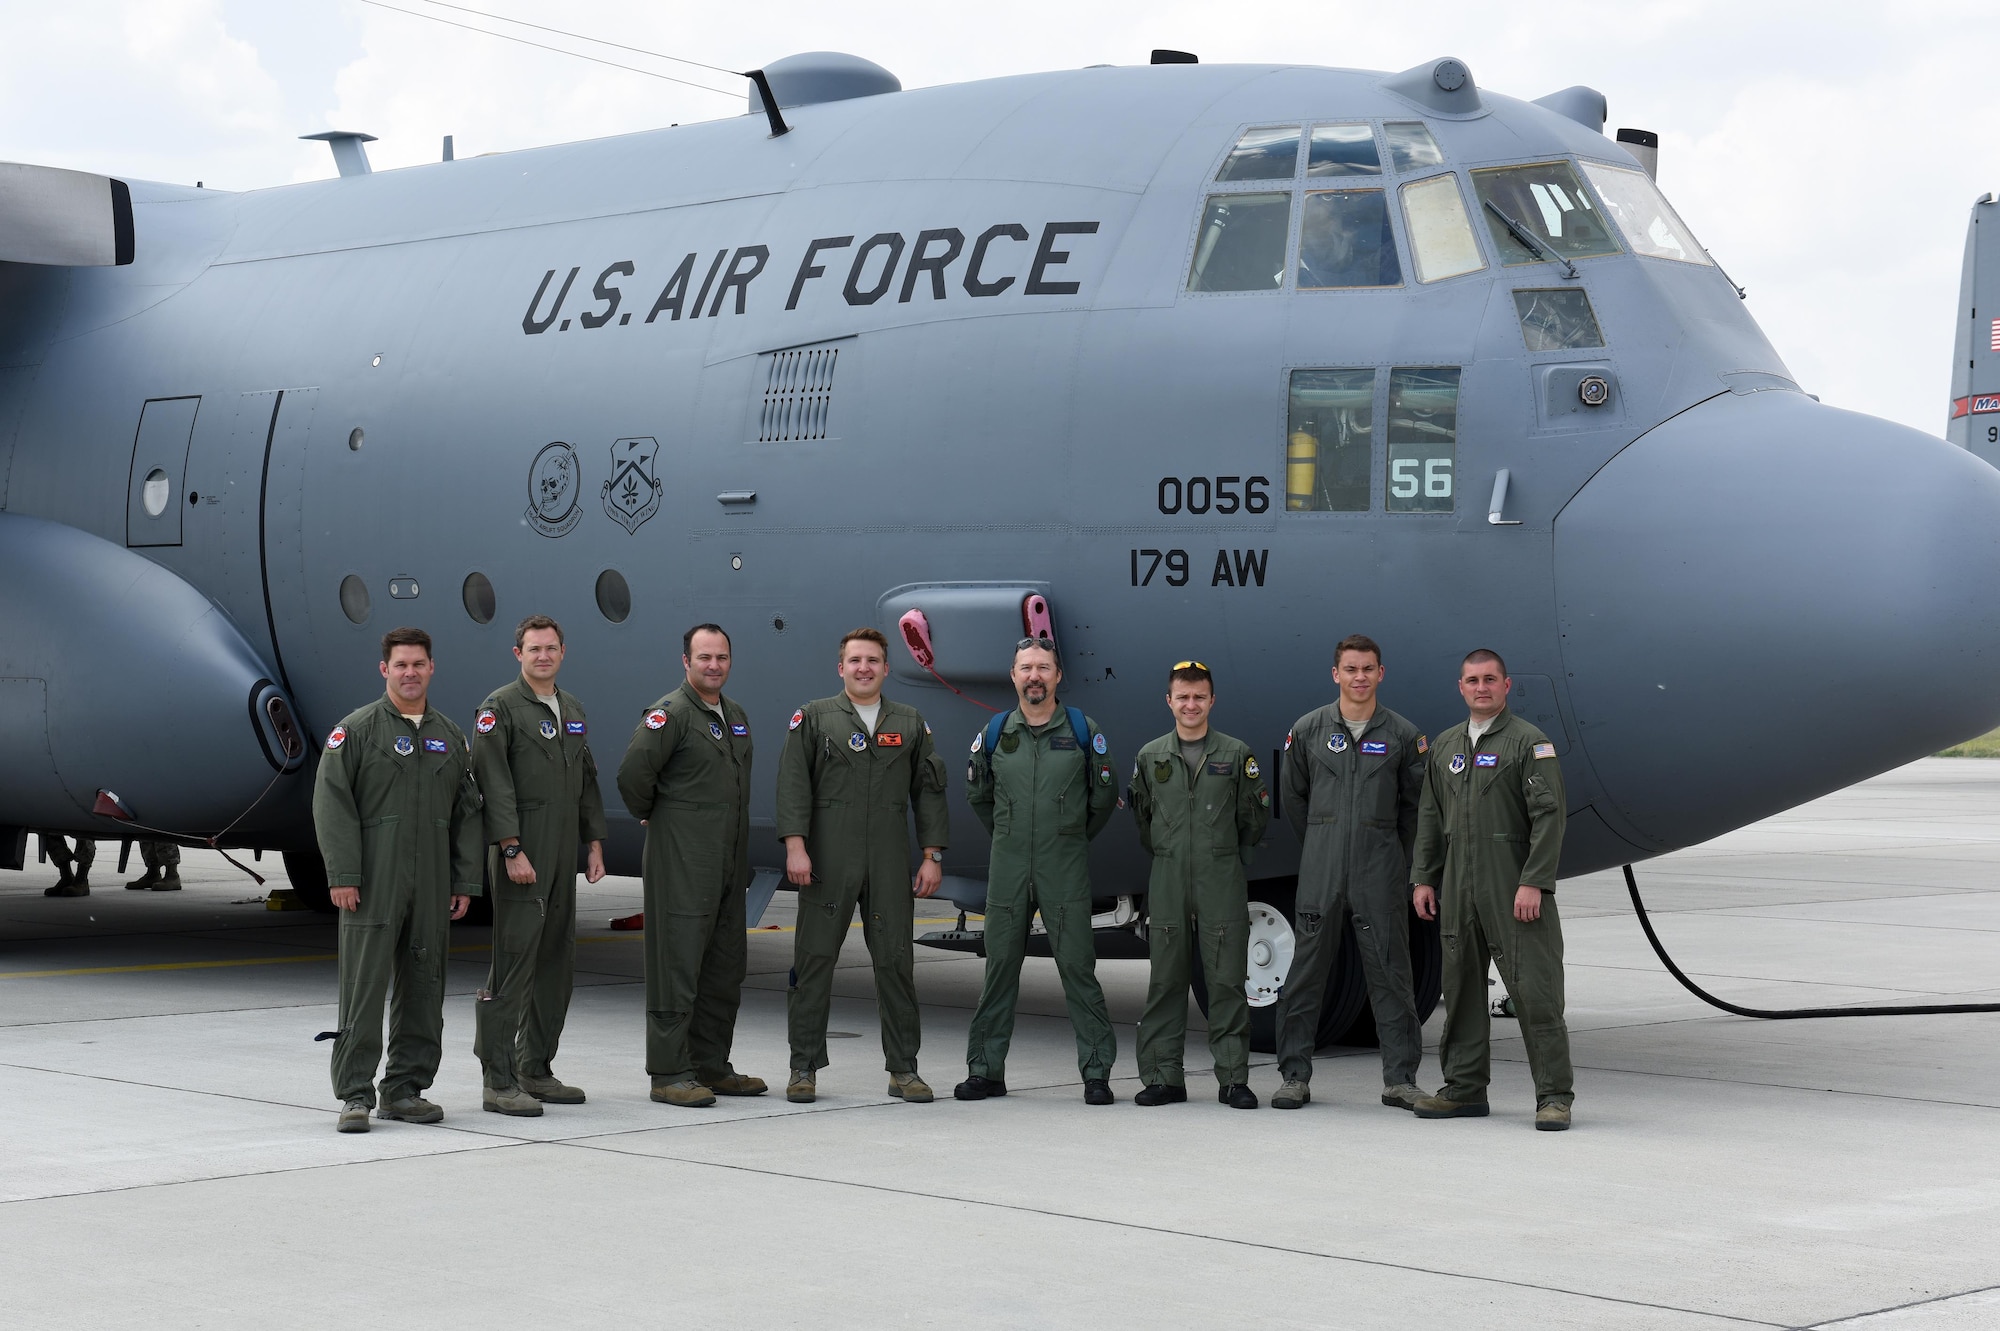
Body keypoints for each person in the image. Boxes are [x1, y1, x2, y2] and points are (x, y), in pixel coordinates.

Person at [314, 627, 483, 1134]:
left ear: (432, 668)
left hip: (431, 881)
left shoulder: (450, 737)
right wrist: (342, 875)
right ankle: (355, 1095)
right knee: (363, 986)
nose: (411, 673)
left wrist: (464, 879)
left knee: (425, 987)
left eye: (419, 664)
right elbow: (331, 803)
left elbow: (467, 812)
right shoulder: (357, 731)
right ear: (384, 669)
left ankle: (405, 1089)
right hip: (373, 880)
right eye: (401, 665)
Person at [775, 628, 950, 1104]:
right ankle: (803, 1068)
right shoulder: (814, 718)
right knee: (814, 961)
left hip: (890, 858)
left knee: (896, 963)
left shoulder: (910, 722)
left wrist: (932, 855)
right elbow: (793, 784)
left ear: (886, 668)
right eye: (855, 660)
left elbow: (929, 792)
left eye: (873, 660)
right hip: (829, 856)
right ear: (841, 668)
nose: (864, 668)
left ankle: (903, 1070)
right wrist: (796, 846)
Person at [1411, 649, 1573, 1131]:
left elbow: (1549, 817)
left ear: (1506, 686)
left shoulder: (1529, 743)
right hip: (1459, 886)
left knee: (1535, 991)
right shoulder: (1444, 746)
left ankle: (1553, 1097)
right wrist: (1424, 876)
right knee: (1459, 989)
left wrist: (1534, 882)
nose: (1481, 687)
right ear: (1460, 687)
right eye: (1472, 680)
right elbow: (1429, 816)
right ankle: (1463, 1089)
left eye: (1489, 680)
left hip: (1512, 886)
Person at [956, 637, 1120, 1105]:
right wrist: (1009, 835)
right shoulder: (994, 733)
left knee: (1077, 967)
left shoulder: (1083, 731)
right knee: (1000, 969)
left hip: (1063, 866)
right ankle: (985, 1071)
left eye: (1043, 668)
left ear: (1057, 676)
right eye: (1026, 667)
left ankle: (1095, 1072)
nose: (1035, 676)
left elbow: (1103, 798)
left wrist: (1067, 836)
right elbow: (978, 795)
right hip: (1008, 866)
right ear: (1013, 675)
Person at [1272, 633, 1429, 1112]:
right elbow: (1294, 799)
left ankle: (1400, 1080)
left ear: (1380, 674)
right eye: (1350, 669)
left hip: (1379, 871)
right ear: (1335, 674)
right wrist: (1324, 840)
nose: (1359, 677)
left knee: (1392, 976)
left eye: (1368, 669)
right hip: (1321, 869)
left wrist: (1387, 856)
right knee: (1305, 974)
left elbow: (1414, 811)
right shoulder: (1308, 730)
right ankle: (1294, 1077)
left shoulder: (1403, 736)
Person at [616, 623, 766, 1108]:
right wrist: (659, 817)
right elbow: (633, 775)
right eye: (704, 657)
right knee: (676, 967)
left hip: (726, 865)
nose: (714, 665)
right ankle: (669, 1072)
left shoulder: (734, 715)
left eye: (721, 657)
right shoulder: (670, 714)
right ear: (686, 661)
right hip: (682, 863)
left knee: (724, 968)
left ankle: (711, 1065)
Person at [470, 614, 608, 1117]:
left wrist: (593, 842)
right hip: (522, 850)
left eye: (551, 648)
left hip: (560, 851)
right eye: (534, 649)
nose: (543, 655)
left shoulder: (570, 707)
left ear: (562, 652)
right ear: (518, 655)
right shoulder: (499, 708)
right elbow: (493, 780)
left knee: (556, 962)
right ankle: (498, 1079)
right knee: (513, 963)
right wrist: (510, 847)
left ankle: (536, 1068)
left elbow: (585, 778)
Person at [1126, 661, 1270, 1109]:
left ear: (1212, 701)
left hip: (1220, 879)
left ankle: (1233, 1080)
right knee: (1165, 982)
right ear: (1169, 701)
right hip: (1168, 879)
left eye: (1199, 697)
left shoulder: (1235, 754)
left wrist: (1221, 856)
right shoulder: (1151, 757)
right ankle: (1162, 1077)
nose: (1191, 705)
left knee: (1226, 982)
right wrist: (1173, 854)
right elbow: (1143, 820)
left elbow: (1253, 819)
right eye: (1183, 697)